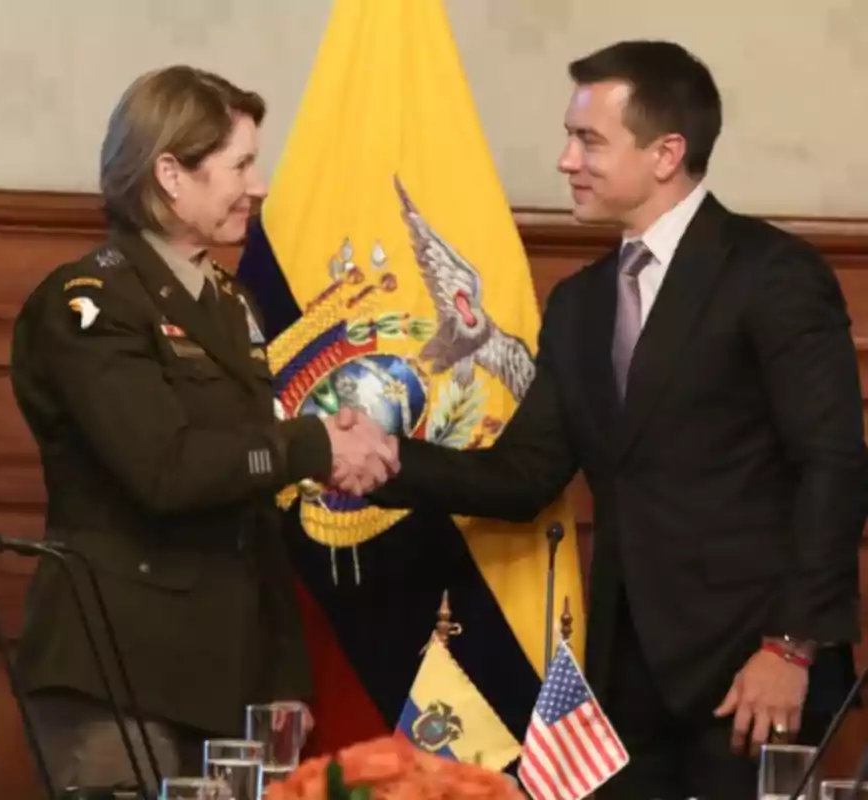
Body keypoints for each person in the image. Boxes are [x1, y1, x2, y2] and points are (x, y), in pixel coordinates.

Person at [342, 40, 866, 799]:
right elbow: (525, 474)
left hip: (755, 674)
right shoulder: (581, 302)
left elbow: (835, 465)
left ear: (666, 154)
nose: (565, 160)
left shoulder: (771, 274)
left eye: (588, 139)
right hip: (625, 682)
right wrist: (383, 457)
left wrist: (790, 647)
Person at [9, 65, 398, 793]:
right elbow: (167, 469)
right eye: (241, 165)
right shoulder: (88, 304)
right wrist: (316, 445)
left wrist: (284, 676)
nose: (259, 185)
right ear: (170, 174)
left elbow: (253, 505)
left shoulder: (228, 303)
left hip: (228, 677)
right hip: (118, 679)